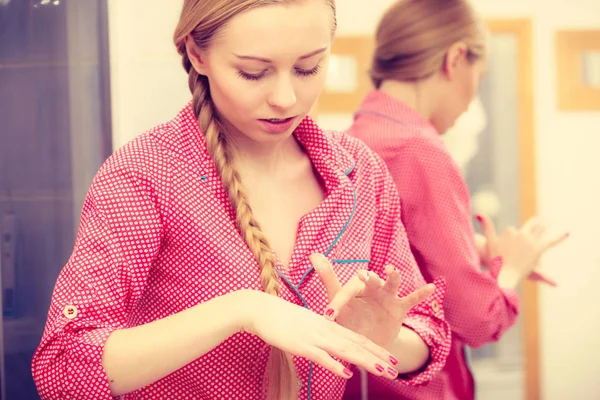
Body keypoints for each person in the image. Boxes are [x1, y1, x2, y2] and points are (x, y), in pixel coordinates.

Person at [31, 1, 452, 399]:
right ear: (197, 54)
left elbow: (428, 336)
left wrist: (383, 336)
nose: (285, 98)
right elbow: (64, 366)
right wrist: (239, 310)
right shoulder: (145, 174)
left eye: (309, 67)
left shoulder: (361, 172)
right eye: (253, 72)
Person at [343, 0, 568, 399]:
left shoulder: (356, 138)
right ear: (456, 58)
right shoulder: (421, 150)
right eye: (477, 80)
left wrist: (473, 249)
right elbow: (476, 320)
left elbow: (394, 250)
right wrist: (511, 269)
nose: (469, 103)